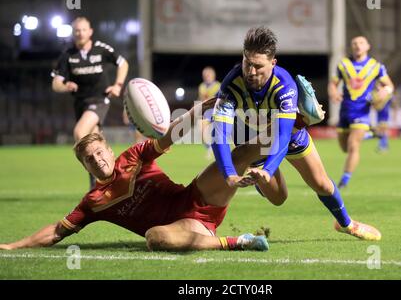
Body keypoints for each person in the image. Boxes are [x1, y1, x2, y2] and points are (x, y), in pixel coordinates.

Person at [0, 100, 276, 252]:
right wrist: (13, 245)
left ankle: (293, 126)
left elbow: (168, 138)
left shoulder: (133, 156)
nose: (97, 160)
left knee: (241, 153)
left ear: (109, 150)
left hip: (197, 197)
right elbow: (57, 232)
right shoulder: (93, 202)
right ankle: (239, 242)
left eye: (99, 153)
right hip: (183, 229)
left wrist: (197, 111)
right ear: (85, 167)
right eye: (89, 159)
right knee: (154, 238)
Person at [211, 26, 381, 241]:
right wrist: (229, 175)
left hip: (288, 135)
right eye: (247, 63)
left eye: (258, 66)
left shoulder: (285, 86)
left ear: (273, 63)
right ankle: (261, 180)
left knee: (322, 184)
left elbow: (282, 136)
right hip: (251, 140)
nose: (251, 72)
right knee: (279, 198)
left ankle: (347, 224)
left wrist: (270, 169)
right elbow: (219, 132)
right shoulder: (231, 84)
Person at [51, 17, 129, 188]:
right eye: (77, 30)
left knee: (80, 133)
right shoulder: (67, 55)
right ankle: (109, 180)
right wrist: (65, 85)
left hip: (100, 99)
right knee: (96, 142)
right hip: (80, 104)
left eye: (83, 29)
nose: (80, 33)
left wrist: (118, 85)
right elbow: (56, 83)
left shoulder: (101, 49)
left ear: (90, 31)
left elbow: (123, 64)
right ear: (73, 33)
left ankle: (99, 179)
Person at [328, 36, 395, 188]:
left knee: (353, 145)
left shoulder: (376, 66)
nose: (358, 45)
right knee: (344, 148)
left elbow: (389, 85)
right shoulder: (343, 65)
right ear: (351, 47)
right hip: (344, 111)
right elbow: (333, 84)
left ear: (368, 46)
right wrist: (333, 92)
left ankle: (345, 179)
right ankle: (372, 134)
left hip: (362, 112)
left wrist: (386, 91)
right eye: (355, 43)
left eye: (361, 43)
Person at [197, 66, 221, 159]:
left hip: (217, 111)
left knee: (218, 133)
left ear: (213, 75)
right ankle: (209, 148)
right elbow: (201, 99)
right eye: (205, 75)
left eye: (208, 74)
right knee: (202, 131)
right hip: (206, 112)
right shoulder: (202, 86)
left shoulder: (218, 85)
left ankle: (218, 151)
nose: (206, 76)